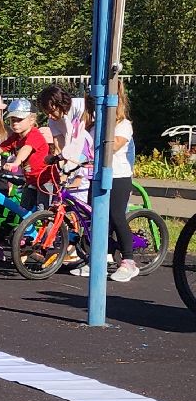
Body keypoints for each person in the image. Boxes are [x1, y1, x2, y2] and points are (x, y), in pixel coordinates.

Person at [75, 85, 140, 282]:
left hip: (118, 176)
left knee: (115, 215)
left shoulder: (123, 125)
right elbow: (82, 150)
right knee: (95, 218)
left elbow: (114, 146)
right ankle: (100, 258)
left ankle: (129, 261)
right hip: (96, 176)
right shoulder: (93, 127)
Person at [0, 97, 50, 209]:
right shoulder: (16, 137)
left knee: (42, 212)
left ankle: (49, 226)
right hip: (31, 181)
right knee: (24, 211)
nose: (15, 123)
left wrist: (16, 163)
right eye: (12, 120)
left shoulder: (34, 134)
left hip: (45, 180)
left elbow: (26, 148)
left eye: (19, 119)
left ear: (31, 120)